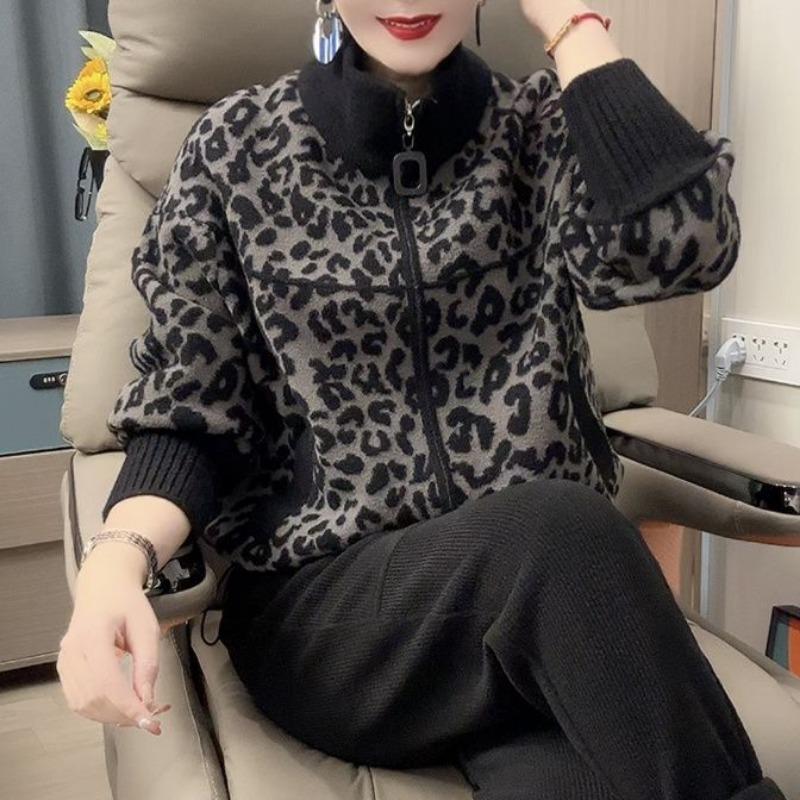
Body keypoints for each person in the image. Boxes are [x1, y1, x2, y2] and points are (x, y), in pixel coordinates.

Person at [58, 1, 788, 798]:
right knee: (564, 530)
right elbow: (192, 406)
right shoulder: (239, 148)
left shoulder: (541, 127)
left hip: (541, 614)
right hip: (336, 618)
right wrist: (115, 562)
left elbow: (687, 244)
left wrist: (573, 23)